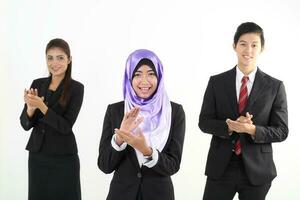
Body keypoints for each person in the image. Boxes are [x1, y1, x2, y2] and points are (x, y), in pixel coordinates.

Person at [198, 22, 288, 200]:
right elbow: (204, 121)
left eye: (254, 45)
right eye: (243, 44)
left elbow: (282, 131)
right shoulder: (216, 82)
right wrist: (229, 126)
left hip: (257, 170)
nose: (249, 50)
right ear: (234, 46)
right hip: (221, 167)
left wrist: (252, 130)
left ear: (262, 48)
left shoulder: (275, 87)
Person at [98, 49, 185, 200]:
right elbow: (105, 166)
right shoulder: (116, 111)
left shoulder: (174, 111)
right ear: (129, 78)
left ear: (159, 77)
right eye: (137, 74)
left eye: (151, 74)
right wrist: (120, 139)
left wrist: (147, 151)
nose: (144, 81)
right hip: (121, 194)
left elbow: (173, 165)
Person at [20, 38, 84, 200]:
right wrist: (30, 109)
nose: (54, 63)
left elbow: (65, 127)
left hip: (63, 157)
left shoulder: (76, 88)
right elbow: (25, 124)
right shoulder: (38, 83)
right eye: (50, 58)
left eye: (60, 57)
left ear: (69, 60)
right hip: (38, 155)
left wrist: (42, 107)